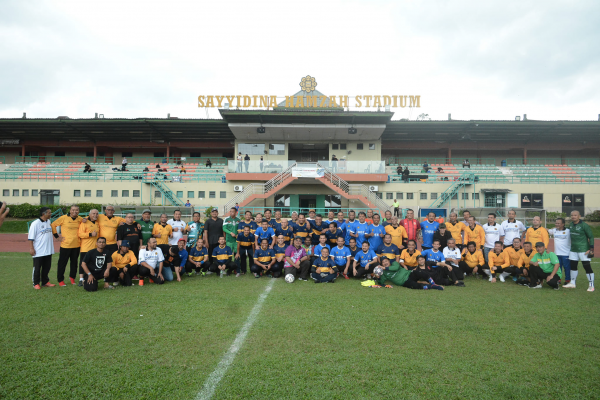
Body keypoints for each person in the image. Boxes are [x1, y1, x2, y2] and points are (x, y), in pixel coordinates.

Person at [51, 205, 82, 286]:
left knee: (74, 263)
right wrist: (57, 237)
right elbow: (53, 225)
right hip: (66, 245)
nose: (75, 211)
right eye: (73, 210)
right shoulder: (63, 218)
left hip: (76, 245)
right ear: (70, 210)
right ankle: (60, 280)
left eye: (77, 210)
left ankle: (72, 278)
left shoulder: (80, 219)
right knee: (62, 263)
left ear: (78, 211)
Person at [565, 210, 595, 291]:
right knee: (573, 267)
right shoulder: (571, 224)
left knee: (587, 267)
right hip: (573, 250)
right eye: (572, 215)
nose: (573, 217)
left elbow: (591, 237)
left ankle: (591, 285)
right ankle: (572, 283)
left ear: (579, 216)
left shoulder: (584, 225)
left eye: (575, 215)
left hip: (583, 250)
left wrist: (591, 249)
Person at [29, 207, 55, 289]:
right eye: (49, 212)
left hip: (48, 250)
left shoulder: (48, 221)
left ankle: (45, 281)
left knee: (47, 267)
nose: (50, 214)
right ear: (44, 214)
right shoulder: (35, 224)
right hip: (39, 250)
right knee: (37, 268)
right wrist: (31, 248)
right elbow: (31, 238)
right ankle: (36, 283)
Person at [77, 209, 100, 286]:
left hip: (95, 248)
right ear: (89, 214)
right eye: (93, 213)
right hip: (85, 248)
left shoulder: (97, 223)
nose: (95, 215)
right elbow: (80, 234)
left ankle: (91, 277)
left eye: (97, 214)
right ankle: (81, 279)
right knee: (83, 263)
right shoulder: (84, 222)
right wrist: (90, 234)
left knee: (92, 264)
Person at [548, 217, 572, 284]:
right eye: (556, 223)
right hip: (557, 253)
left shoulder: (568, 231)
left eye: (559, 223)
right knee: (558, 267)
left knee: (567, 268)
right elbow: (547, 230)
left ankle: (568, 280)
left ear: (563, 224)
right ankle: (558, 279)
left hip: (566, 253)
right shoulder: (554, 230)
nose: (557, 224)